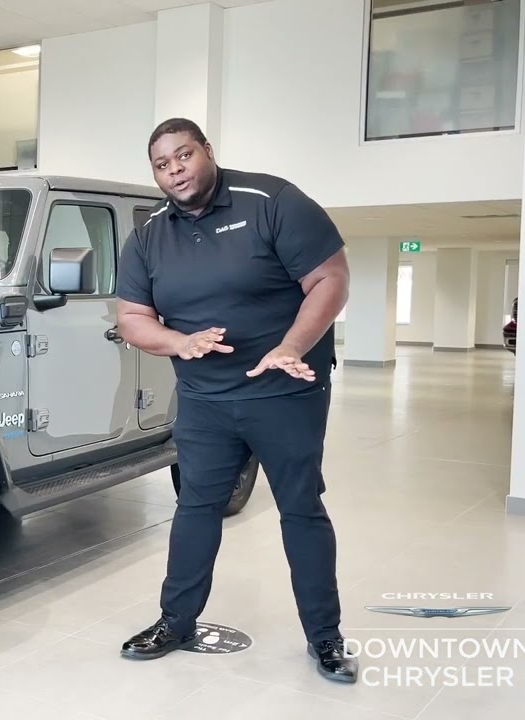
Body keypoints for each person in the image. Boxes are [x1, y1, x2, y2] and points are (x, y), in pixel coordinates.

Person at [114, 118, 355, 683]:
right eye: (162, 164)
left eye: (184, 155)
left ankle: (325, 637)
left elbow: (331, 279)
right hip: (205, 398)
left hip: (284, 389)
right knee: (196, 506)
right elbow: (132, 317)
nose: (175, 171)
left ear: (207, 150)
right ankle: (176, 622)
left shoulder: (271, 201)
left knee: (301, 507)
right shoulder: (149, 236)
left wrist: (291, 345)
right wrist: (179, 342)